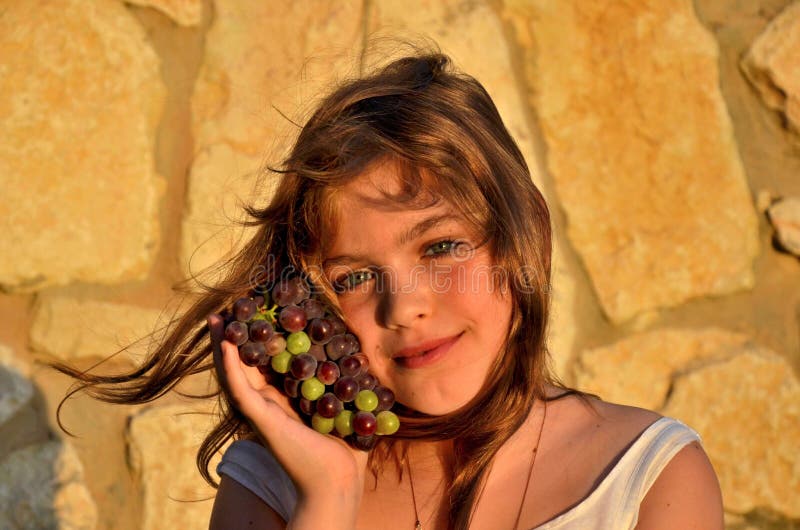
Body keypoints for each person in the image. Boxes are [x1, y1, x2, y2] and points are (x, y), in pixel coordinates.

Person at [56, 52, 725, 529]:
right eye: (355, 277)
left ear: (524, 238)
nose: (403, 305)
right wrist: (329, 502)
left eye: (440, 247)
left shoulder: (647, 481)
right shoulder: (273, 486)